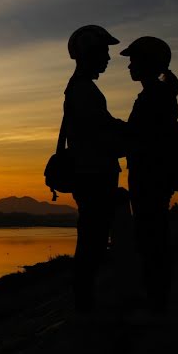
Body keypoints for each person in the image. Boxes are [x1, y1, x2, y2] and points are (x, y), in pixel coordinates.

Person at [64, 25, 127, 312]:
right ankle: (85, 306)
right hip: (93, 175)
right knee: (93, 241)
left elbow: (102, 127)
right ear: (89, 53)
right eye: (104, 52)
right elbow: (99, 130)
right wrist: (134, 135)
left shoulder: (83, 88)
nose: (109, 59)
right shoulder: (83, 90)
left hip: (92, 173)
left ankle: (86, 303)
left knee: (94, 239)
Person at [122, 36, 178, 314]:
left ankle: (156, 302)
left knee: (151, 236)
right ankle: (156, 298)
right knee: (151, 235)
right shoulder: (158, 94)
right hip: (152, 175)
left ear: (149, 63)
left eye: (134, 60)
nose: (129, 66)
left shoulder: (155, 96)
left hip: (151, 177)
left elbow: (141, 137)